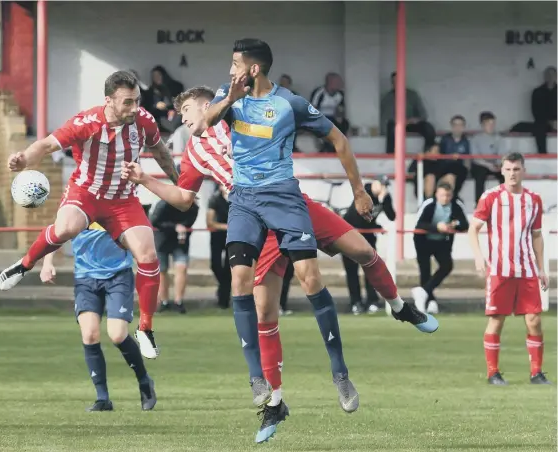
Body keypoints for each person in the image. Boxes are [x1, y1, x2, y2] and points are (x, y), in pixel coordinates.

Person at [121, 84, 438, 443]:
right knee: (265, 312)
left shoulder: (237, 116)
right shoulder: (195, 151)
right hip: (256, 224)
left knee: (364, 251)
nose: (184, 119)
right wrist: (146, 179)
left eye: (187, 112)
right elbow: (182, 198)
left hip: (291, 204)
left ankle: (397, 308)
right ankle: (275, 400)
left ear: (206, 106)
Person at [206, 39, 370, 424]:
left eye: (235, 63)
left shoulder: (290, 103)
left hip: (283, 196)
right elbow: (203, 123)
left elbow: (339, 140)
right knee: (239, 281)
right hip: (244, 199)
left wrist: (358, 189)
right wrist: (228, 99)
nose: (230, 69)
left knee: (310, 278)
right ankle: (256, 379)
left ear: (253, 69)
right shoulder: (226, 97)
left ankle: (340, 374)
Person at [0, 70, 180, 361]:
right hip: (87, 193)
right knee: (67, 227)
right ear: (109, 100)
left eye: (137, 101)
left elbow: (159, 150)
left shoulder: (143, 120)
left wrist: (178, 182)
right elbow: (45, 145)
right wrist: (23, 158)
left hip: (122, 199)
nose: (134, 108)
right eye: (127, 103)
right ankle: (24, 264)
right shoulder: (87, 123)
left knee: (147, 254)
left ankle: (145, 329)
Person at [40, 223, 157, 411]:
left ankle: (144, 381)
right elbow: (55, 233)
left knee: (117, 335)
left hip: (118, 276)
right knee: (89, 335)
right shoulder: (77, 207)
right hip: (85, 279)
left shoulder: (116, 203)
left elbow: (138, 236)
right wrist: (47, 263)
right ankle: (103, 399)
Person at [468, 152, 550, 386]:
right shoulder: (491, 197)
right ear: (502, 171)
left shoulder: (534, 199)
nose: (512, 174)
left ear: (523, 171)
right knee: (497, 320)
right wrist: (478, 256)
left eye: (516, 169)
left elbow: (536, 236)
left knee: (534, 320)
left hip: (527, 270)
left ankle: (536, 373)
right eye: (508, 169)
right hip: (499, 270)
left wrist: (542, 268)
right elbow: (473, 228)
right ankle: (493, 373)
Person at [342, 176, 396, 315]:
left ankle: (372, 300)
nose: (384, 188)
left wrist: (384, 200)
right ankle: (356, 302)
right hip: (349, 235)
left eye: (386, 185)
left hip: (367, 236)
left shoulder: (385, 196)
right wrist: (375, 225)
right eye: (381, 185)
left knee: (371, 270)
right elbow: (359, 216)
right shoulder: (363, 192)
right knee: (352, 271)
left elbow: (392, 216)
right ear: (375, 183)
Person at [412, 182, 469, 314]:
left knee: (447, 266)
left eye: (448, 195)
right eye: (442, 195)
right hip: (423, 241)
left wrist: (454, 225)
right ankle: (429, 302)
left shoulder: (456, 205)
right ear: (437, 194)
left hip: (442, 242)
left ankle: (423, 293)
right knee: (425, 271)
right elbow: (419, 224)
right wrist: (437, 227)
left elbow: (464, 224)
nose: (445, 198)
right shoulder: (428, 204)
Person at [150, 197, 199, 314]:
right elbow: (154, 221)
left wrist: (180, 228)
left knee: (182, 269)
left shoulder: (194, 207)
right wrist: (174, 226)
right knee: (162, 271)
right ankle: (164, 301)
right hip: (161, 241)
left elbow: (189, 222)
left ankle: (179, 302)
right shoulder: (163, 204)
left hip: (180, 241)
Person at [470, 112, 505, 204]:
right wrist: (488, 165)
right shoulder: (475, 139)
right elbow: (475, 157)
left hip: (495, 164)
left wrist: (498, 164)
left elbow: (501, 154)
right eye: (488, 124)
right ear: (482, 125)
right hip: (480, 164)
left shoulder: (499, 138)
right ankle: (479, 204)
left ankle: (507, 201)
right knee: (480, 174)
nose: (491, 126)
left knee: (506, 173)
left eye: (493, 123)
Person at [207, 185, 232, 309]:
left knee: (229, 268)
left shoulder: (237, 199)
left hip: (233, 237)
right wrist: (226, 227)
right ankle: (223, 288)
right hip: (217, 236)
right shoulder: (215, 199)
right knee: (215, 265)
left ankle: (224, 300)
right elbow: (210, 222)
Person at [437, 115, 470, 199]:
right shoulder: (445, 139)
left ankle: (452, 196)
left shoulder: (465, 141)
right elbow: (439, 156)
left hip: (460, 168)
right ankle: (452, 197)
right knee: (450, 176)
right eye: (455, 125)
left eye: (460, 125)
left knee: (457, 172)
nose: (457, 127)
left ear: (463, 127)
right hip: (446, 166)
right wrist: (450, 157)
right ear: (451, 126)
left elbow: (467, 158)